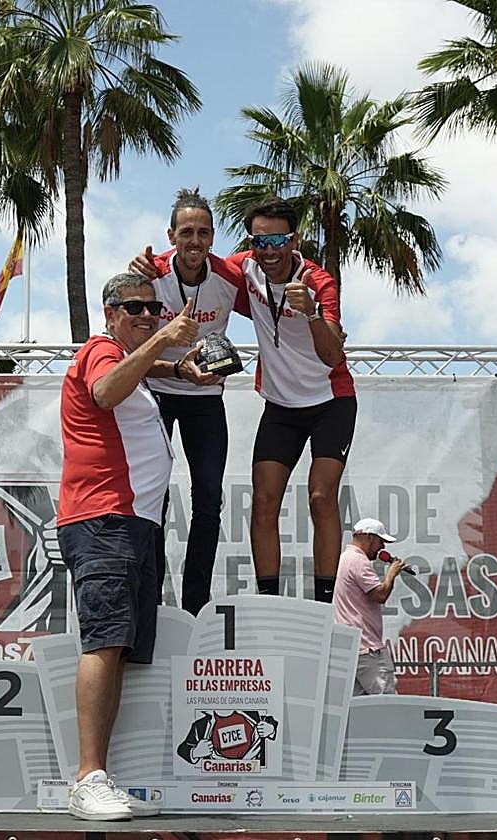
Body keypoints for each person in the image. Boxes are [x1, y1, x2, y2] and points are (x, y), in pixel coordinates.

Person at [134, 197, 353, 602]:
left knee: (320, 497)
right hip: (272, 405)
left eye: (278, 241)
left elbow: (332, 355)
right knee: (261, 500)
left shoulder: (316, 280)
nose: (269, 251)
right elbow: (188, 260)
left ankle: (323, 603)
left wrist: (312, 313)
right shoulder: (240, 271)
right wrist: (147, 266)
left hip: (327, 399)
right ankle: (266, 601)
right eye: (259, 242)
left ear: (294, 241)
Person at [57, 272, 196, 820]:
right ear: (109, 313)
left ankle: (102, 775)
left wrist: (177, 367)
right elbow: (104, 390)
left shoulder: (128, 360)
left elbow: (134, 372)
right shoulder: (100, 350)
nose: (145, 315)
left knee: (121, 651)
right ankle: (87, 777)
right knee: (104, 643)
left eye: (153, 309)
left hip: (134, 522)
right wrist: (164, 341)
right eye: (133, 307)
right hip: (103, 519)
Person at [141, 188, 238, 615]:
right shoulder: (150, 276)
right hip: (158, 393)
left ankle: (196, 603)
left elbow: (271, 291)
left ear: (212, 237)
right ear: (171, 236)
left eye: (202, 233)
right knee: (153, 498)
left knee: (209, 499)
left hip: (205, 397)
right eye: (186, 233)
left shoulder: (229, 277)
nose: (194, 241)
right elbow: (125, 338)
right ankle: (152, 599)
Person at [333, 518, 406, 695]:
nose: (382, 547)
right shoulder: (358, 561)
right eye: (380, 541)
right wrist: (391, 574)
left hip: (349, 648)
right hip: (367, 649)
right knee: (385, 702)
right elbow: (380, 594)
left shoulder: (344, 559)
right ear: (369, 537)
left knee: (358, 705)